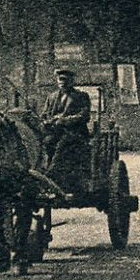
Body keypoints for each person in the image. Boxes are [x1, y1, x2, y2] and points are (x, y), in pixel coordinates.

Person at [40, 69, 91, 197]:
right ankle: (45, 172)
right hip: (56, 133)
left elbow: (84, 116)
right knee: (46, 142)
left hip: (76, 133)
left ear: (72, 81)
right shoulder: (51, 97)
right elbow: (44, 115)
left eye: (65, 80)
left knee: (63, 144)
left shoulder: (81, 96)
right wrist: (46, 121)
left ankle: (51, 175)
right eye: (60, 79)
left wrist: (64, 120)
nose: (62, 82)